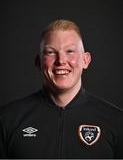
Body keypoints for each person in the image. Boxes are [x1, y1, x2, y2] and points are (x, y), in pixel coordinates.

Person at [0, 19, 123, 159]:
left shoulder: (117, 122)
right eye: (51, 52)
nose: (61, 60)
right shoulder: (7, 120)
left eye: (70, 51)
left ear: (85, 60)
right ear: (38, 62)